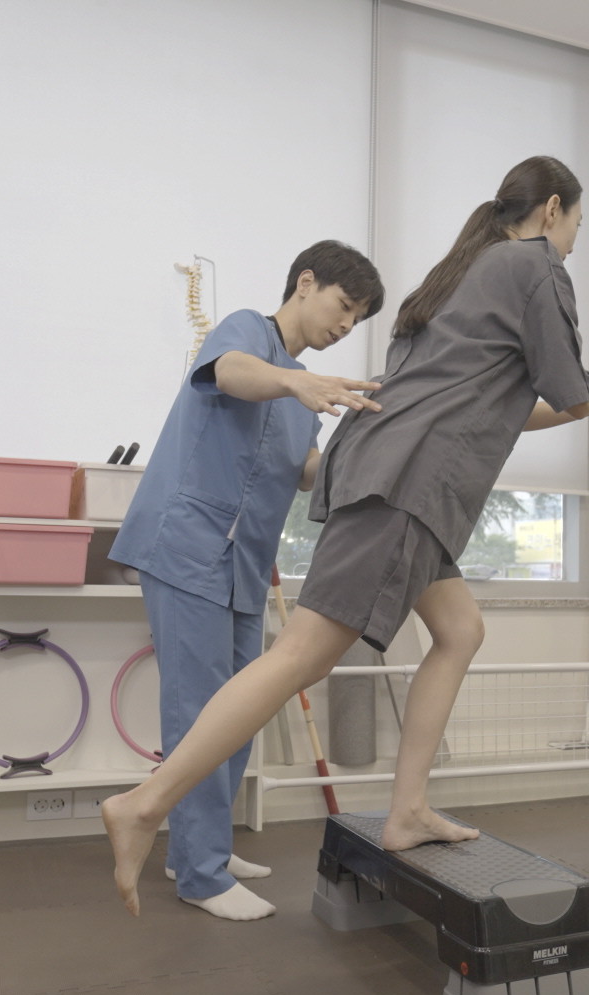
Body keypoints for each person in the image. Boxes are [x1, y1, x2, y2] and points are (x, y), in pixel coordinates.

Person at [104, 156, 589, 917]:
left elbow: (501, 409)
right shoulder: (532, 266)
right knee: (300, 657)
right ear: (552, 210)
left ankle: (407, 809)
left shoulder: (458, 277)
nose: (573, 242)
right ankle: (146, 806)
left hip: (397, 484)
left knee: (460, 629)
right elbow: (568, 387)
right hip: (400, 489)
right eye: (576, 226)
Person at [108, 240, 385, 920]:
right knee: (198, 710)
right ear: (305, 282)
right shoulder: (247, 334)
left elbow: (310, 473)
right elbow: (230, 373)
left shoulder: (303, 389)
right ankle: (200, 874)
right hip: (187, 546)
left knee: (239, 714)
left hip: (241, 566)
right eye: (344, 306)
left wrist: (370, 453)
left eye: (357, 319)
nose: (346, 324)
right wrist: (295, 383)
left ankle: (196, 848)